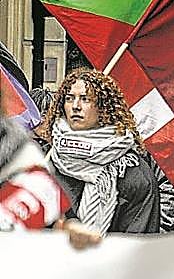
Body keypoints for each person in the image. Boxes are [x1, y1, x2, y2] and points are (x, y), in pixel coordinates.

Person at [34, 68, 162, 235]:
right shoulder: (44, 161)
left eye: (85, 99)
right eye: (69, 98)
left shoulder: (132, 172)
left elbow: (138, 241)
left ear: (104, 107)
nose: (75, 106)